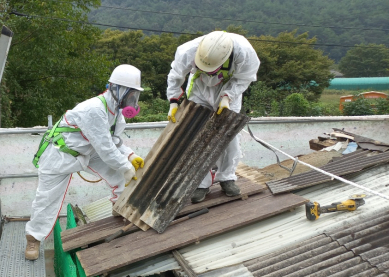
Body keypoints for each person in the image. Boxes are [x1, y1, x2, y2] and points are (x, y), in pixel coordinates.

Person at [24, 65, 146, 260]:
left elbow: (113, 141)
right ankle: (33, 238)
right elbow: (106, 149)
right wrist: (126, 166)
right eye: (130, 94)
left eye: (135, 95)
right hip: (60, 153)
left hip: (89, 151)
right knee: (46, 199)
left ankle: (120, 209)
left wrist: (130, 155)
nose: (133, 100)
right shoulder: (94, 110)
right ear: (116, 89)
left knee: (120, 177)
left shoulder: (117, 112)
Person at [166, 31, 260, 203]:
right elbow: (176, 75)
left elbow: (244, 79)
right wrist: (173, 101)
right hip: (199, 89)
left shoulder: (244, 52)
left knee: (229, 136)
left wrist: (227, 97)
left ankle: (227, 177)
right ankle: (201, 183)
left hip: (228, 90)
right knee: (198, 136)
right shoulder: (188, 50)